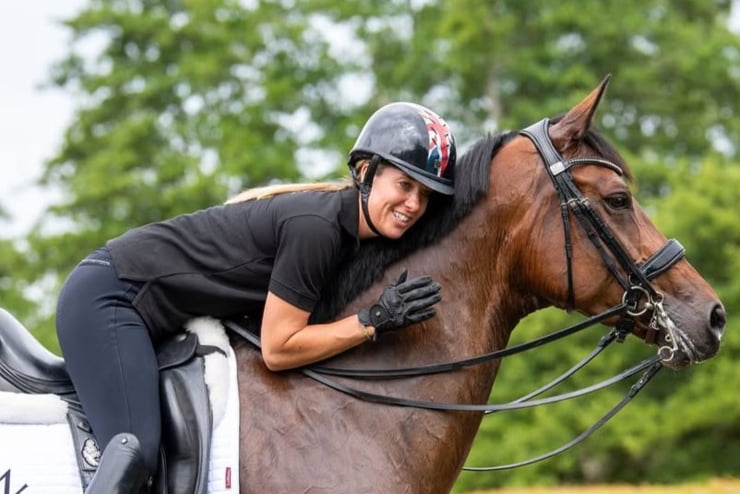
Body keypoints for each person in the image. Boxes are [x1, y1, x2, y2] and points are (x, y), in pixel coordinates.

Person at [55, 101, 456, 493]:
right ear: (367, 172)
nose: (414, 205)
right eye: (405, 185)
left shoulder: (347, 235)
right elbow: (279, 350)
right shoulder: (318, 230)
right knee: (136, 454)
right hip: (108, 298)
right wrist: (372, 321)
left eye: (425, 196)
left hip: (142, 305)